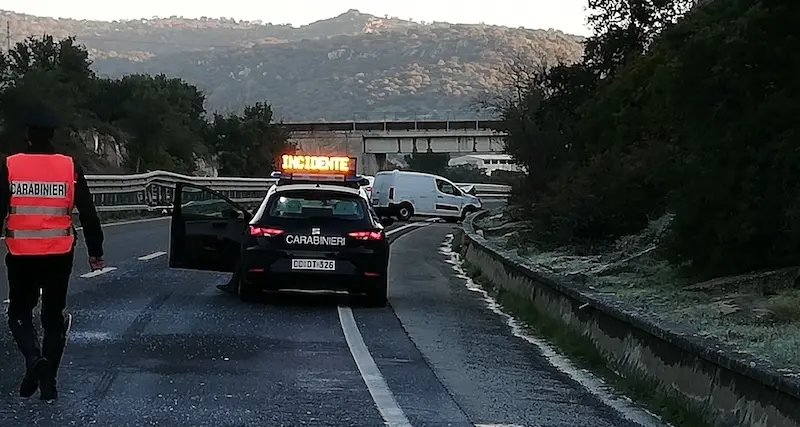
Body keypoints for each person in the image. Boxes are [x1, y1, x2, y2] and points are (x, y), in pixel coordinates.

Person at [2, 104, 105, 402]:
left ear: (27, 134)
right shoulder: (69, 166)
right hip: (59, 254)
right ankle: (49, 384)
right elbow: (87, 212)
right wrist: (96, 250)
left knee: (19, 313)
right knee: (52, 318)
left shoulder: (11, 165)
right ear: (53, 134)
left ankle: (33, 358)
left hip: (21, 253)